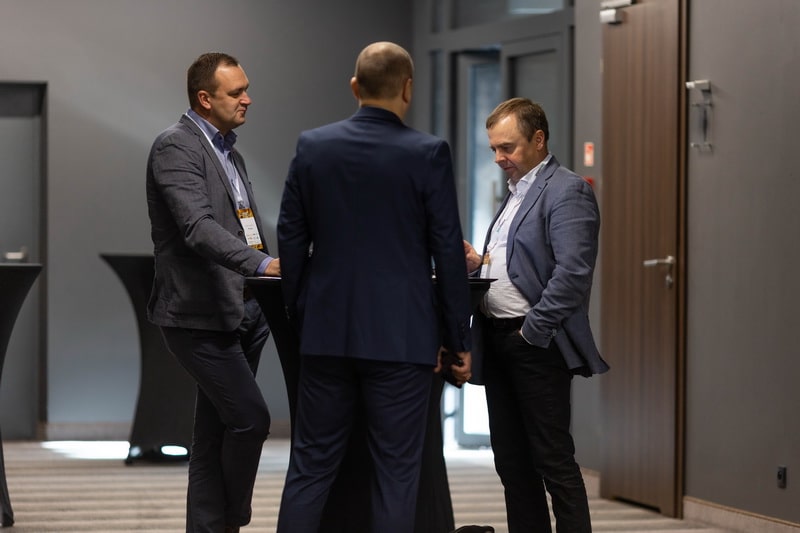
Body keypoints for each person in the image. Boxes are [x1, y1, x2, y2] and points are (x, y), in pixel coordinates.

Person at [276, 41, 473, 533]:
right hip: (402, 339)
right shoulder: (428, 153)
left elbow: (291, 238)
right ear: (408, 88)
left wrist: (299, 312)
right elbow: (448, 251)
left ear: (354, 86)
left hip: (326, 334)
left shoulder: (312, 147)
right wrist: (457, 338)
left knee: (310, 466)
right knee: (396, 475)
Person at [145, 52, 280, 533]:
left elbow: (245, 228)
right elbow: (197, 228)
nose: (248, 99)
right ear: (205, 98)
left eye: (246, 89)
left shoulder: (230, 152)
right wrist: (264, 264)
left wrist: (266, 275)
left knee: (212, 436)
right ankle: (231, 519)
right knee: (251, 420)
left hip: (243, 310)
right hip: (198, 316)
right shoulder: (175, 146)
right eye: (236, 92)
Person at [464, 97, 609, 533]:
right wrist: (479, 264)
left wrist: (532, 331)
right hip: (497, 340)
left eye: (506, 147)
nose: (498, 157)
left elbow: (573, 273)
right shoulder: (514, 193)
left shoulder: (567, 190)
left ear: (539, 139)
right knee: (512, 463)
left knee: (553, 461)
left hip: (535, 344)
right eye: (493, 148)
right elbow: (520, 265)